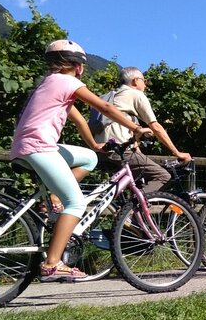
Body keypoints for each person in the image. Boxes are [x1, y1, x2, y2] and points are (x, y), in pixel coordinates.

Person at [10, 40, 152, 282]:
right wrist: (135, 128)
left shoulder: (48, 84)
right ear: (78, 66)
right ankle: (53, 264)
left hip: (29, 146)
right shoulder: (69, 82)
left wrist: (95, 146)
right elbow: (105, 107)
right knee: (75, 204)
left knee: (89, 159)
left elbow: (79, 120)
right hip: (40, 148)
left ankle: (54, 197)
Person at [94, 67, 191, 193]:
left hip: (101, 149)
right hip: (119, 149)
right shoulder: (136, 94)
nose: (145, 85)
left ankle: (122, 209)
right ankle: (131, 209)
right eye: (144, 81)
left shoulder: (112, 96)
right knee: (163, 177)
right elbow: (155, 127)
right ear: (135, 81)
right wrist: (177, 153)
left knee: (135, 181)